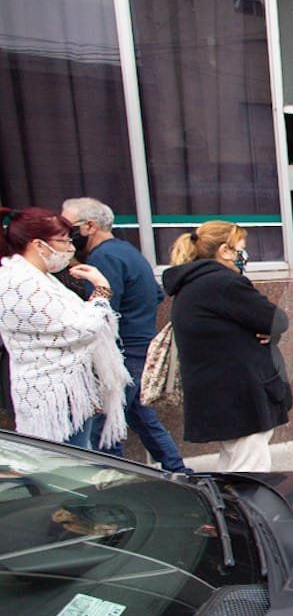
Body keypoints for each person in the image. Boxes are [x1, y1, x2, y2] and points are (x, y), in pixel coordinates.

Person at [62, 197, 189, 473]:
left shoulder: (103, 258)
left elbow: (104, 310)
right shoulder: (127, 251)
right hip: (139, 346)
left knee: (106, 427)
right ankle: (178, 470)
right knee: (140, 417)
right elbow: (156, 295)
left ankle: (114, 479)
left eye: (68, 227)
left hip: (122, 352)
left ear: (89, 226)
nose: (65, 235)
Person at [162, 221, 292, 471]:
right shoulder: (223, 283)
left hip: (220, 391)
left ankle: (229, 498)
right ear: (224, 251)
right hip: (241, 395)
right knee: (249, 470)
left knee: (233, 462)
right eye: (241, 248)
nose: (245, 255)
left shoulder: (193, 283)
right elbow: (276, 319)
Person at [0, 207, 131, 447]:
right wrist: (101, 290)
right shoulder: (20, 282)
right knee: (67, 462)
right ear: (38, 245)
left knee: (78, 459)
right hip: (52, 395)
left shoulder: (38, 278)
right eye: (63, 240)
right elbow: (80, 329)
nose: (70, 248)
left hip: (65, 391)